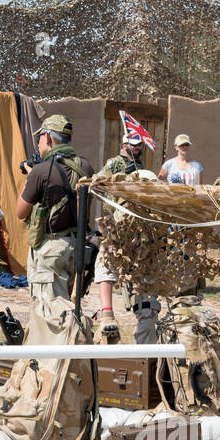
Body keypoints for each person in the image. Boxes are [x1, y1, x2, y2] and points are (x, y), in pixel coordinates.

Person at [15, 114, 93, 309]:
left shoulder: (42, 170)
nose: (38, 142)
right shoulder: (86, 167)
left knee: (49, 312)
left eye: (40, 137)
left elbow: (20, 211)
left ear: (48, 138)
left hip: (51, 249)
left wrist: (30, 178)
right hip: (78, 246)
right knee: (70, 307)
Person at [93, 133, 158, 343]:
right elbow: (98, 182)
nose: (137, 148)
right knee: (105, 260)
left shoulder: (141, 166)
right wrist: (118, 181)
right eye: (133, 145)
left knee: (146, 302)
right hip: (117, 221)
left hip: (140, 231)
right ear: (124, 145)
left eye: (139, 145)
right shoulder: (115, 163)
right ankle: (107, 313)